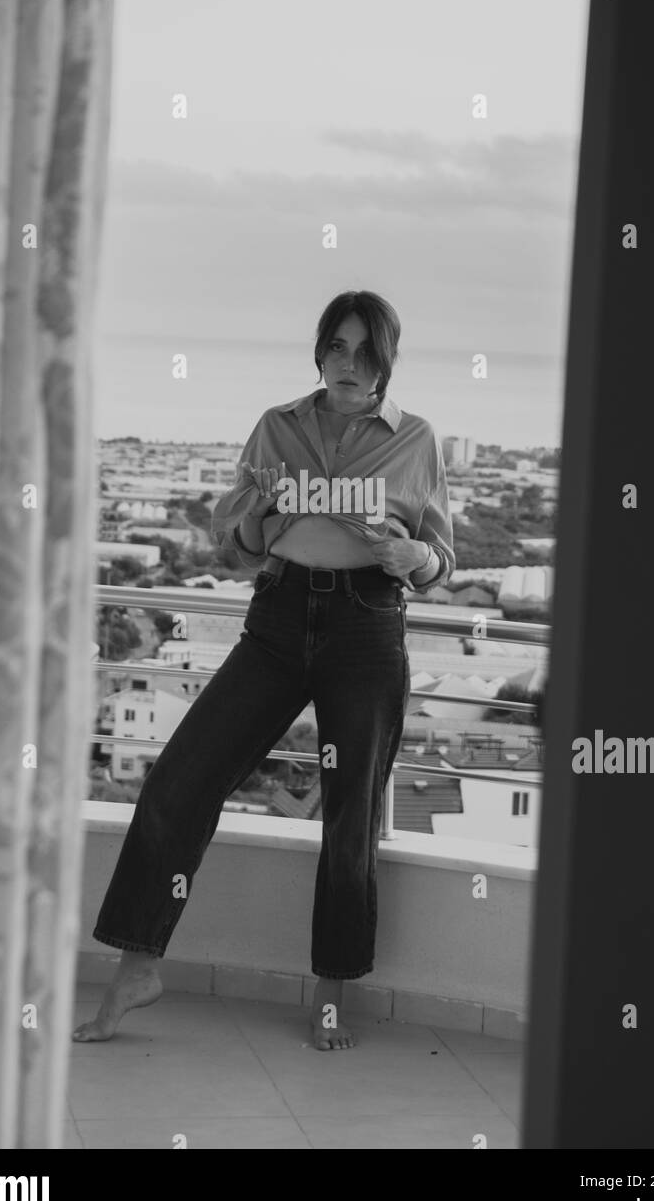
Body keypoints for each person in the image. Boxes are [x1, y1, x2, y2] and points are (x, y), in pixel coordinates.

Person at [73, 290, 455, 1050]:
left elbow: (442, 562)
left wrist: (415, 556)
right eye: (337, 347)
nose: (349, 363)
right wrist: (259, 515)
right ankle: (136, 967)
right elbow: (237, 548)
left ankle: (330, 992)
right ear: (319, 352)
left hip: (366, 629)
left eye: (365, 351)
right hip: (277, 621)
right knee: (179, 781)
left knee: (350, 819)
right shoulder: (277, 427)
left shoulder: (415, 441)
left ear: (386, 362)